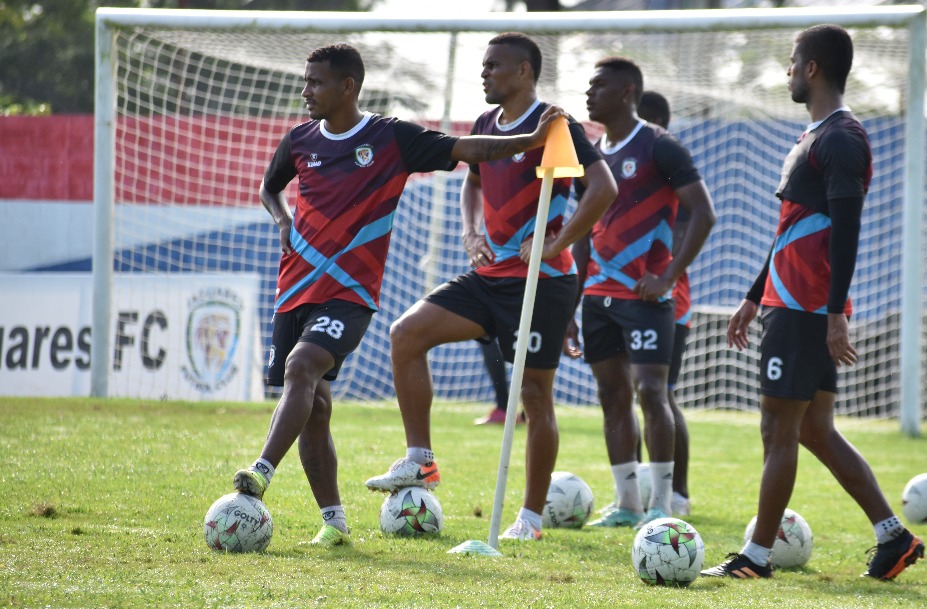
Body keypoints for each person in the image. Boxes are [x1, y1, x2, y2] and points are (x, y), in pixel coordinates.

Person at [231, 43, 568, 548]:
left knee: (303, 369)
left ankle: (260, 472)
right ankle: (334, 522)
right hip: (294, 288)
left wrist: (531, 138)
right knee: (313, 406)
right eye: (305, 82)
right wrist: (282, 220)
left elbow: (465, 149)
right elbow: (269, 186)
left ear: (348, 87)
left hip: (349, 294)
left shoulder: (390, 138)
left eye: (315, 83)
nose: (305, 92)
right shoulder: (299, 140)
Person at [364, 32, 618, 542]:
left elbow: (604, 187)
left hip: (543, 283)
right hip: (488, 277)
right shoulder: (484, 125)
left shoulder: (555, 123)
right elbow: (474, 181)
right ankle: (420, 461)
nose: (484, 74)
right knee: (406, 334)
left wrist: (556, 243)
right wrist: (470, 230)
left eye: (494, 66)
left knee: (534, 395)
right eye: (483, 65)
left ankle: (529, 519)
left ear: (524, 72)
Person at [700, 25, 924, 580]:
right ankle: (893, 537)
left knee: (778, 428)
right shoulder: (813, 137)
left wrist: (834, 313)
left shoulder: (842, 139)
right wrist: (754, 296)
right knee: (814, 430)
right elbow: (791, 228)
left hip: (805, 309)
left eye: (793, 62)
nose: (787, 72)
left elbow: (846, 231)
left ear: (813, 69)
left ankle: (755, 557)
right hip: (786, 302)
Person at [570, 58, 715, 529]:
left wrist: (670, 275)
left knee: (653, 392)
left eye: (600, 85)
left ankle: (663, 503)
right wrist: (573, 301)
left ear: (628, 91)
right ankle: (628, 504)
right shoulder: (590, 153)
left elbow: (703, 213)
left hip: (646, 297)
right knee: (612, 395)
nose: (589, 93)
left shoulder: (660, 146)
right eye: (589, 85)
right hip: (597, 296)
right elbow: (585, 232)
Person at [638, 90, 694, 517]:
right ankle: (642, 490)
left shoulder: (669, 160)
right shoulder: (623, 161)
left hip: (667, 298)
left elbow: (692, 218)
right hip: (622, 294)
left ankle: (678, 493)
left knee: (661, 394)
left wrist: (665, 275)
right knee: (635, 393)